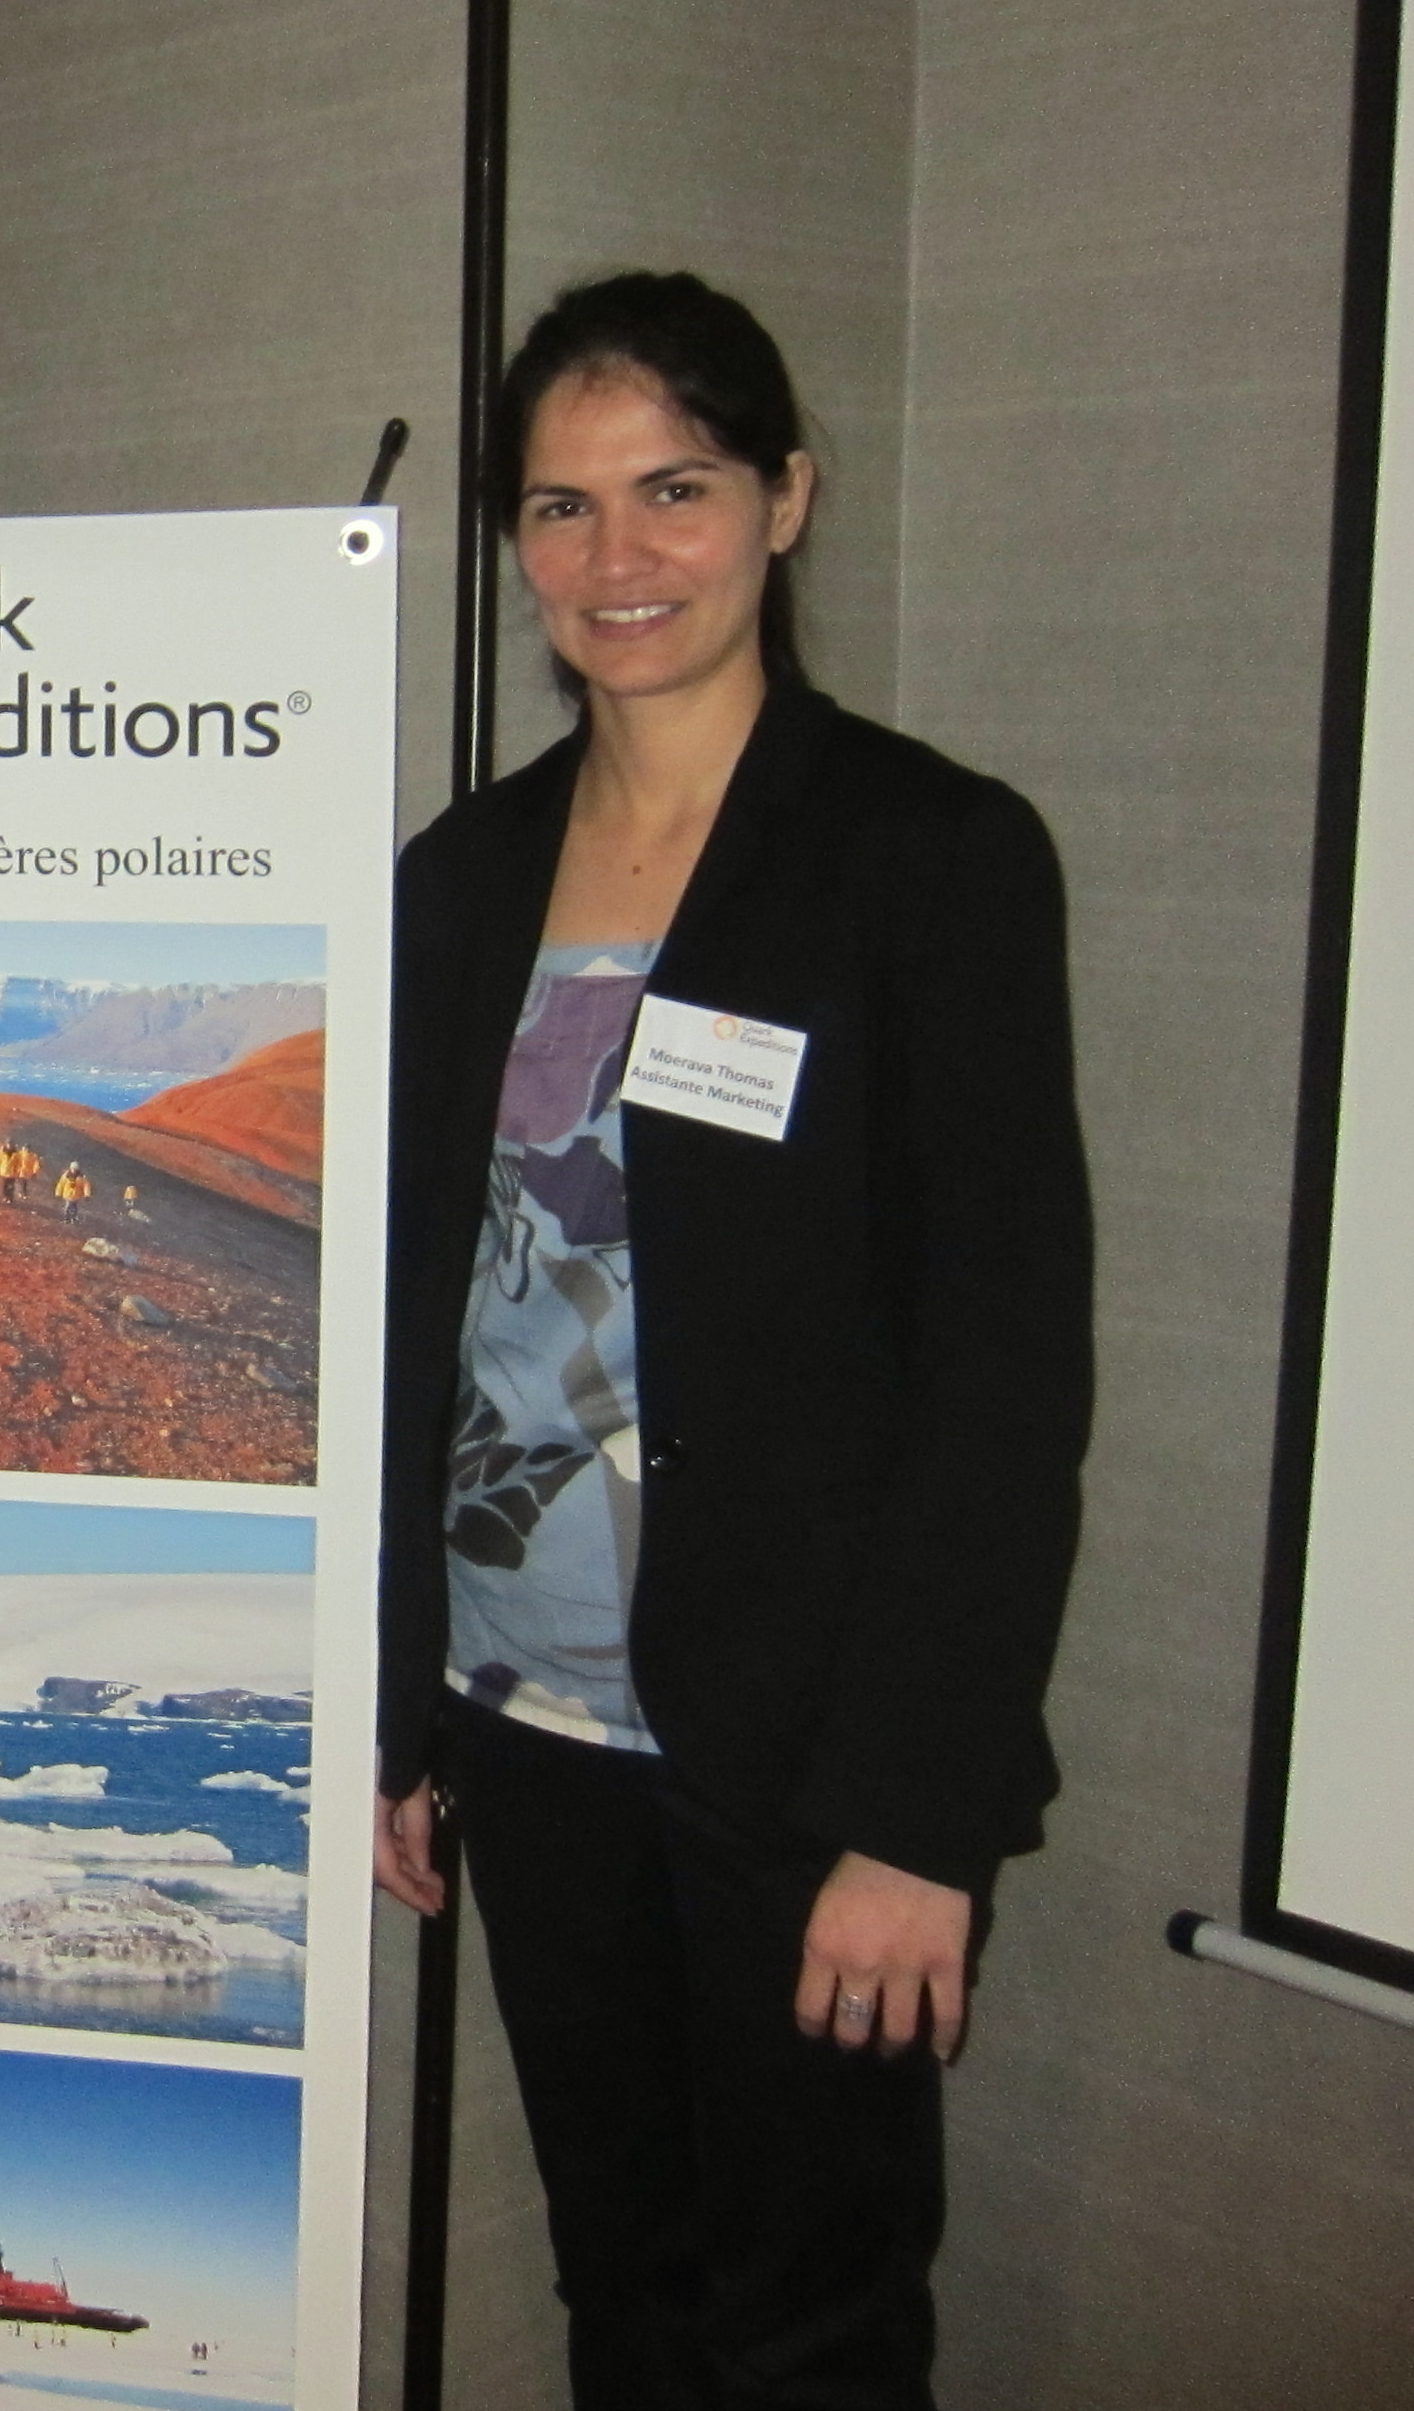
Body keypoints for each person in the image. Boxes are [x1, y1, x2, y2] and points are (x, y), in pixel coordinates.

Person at [374, 272, 1089, 2411]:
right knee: (623, 2290)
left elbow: (1003, 1371)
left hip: (798, 1752)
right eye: (562, 507)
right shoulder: (460, 876)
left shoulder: (924, 858)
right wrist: (405, 1703)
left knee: (813, 2332)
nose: (618, 557)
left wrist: (920, 1817)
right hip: (523, 1717)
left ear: (786, 496)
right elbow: (424, 1312)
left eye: (673, 489)